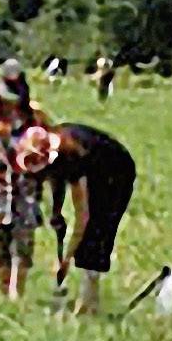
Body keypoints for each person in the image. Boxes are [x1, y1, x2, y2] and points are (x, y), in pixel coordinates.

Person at [13, 121, 138, 315]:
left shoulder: (75, 158)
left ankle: (89, 304)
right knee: (86, 238)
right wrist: (56, 214)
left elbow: (83, 217)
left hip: (115, 171)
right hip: (94, 164)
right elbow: (57, 184)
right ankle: (86, 301)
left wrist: (67, 257)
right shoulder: (54, 148)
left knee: (96, 233)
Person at [0, 65, 54, 300]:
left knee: (23, 240)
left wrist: (39, 160)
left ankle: (17, 295)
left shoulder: (35, 114)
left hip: (25, 187)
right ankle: (5, 294)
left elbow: (52, 142)